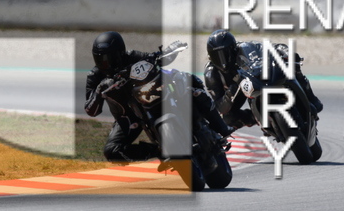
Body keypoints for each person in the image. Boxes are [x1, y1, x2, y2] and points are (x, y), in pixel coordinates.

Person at [85, 31, 233, 163]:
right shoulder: (94, 76)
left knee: (190, 84)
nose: (104, 64)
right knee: (111, 151)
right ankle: (156, 151)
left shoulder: (131, 56)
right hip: (127, 118)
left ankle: (221, 127)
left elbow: (152, 59)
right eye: (99, 59)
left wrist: (164, 54)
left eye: (108, 58)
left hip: (148, 97)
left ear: (119, 53)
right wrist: (98, 91)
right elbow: (91, 110)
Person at [204, 29, 323, 130]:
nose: (224, 61)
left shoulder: (245, 47)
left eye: (227, 53)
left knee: (292, 64)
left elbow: (272, 47)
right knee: (226, 118)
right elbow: (219, 107)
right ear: (210, 57)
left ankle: (310, 98)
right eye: (217, 56)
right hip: (235, 93)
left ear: (233, 48)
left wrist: (286, 52)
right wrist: (230, 92)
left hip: (254, 79)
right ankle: (254, 118)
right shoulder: (211, 74)